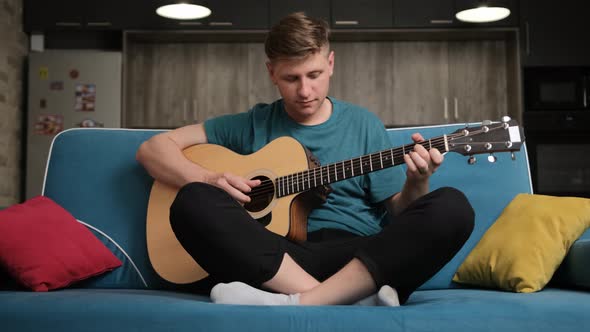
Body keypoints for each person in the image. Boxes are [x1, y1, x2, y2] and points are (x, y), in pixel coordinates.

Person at [136, 12, 474, 306]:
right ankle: (339, 301)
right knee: (192, 200)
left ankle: (307, 302)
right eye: (291, 78)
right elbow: (153, 149)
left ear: (330, 63)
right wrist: (210, 179)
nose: (305, 91)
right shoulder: (253, 123)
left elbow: (401, 214)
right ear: (271, 72)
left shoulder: (363, 124)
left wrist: (418, 180)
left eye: (313, 75)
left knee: (453, 207)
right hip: (273, 260)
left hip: (359, 259)